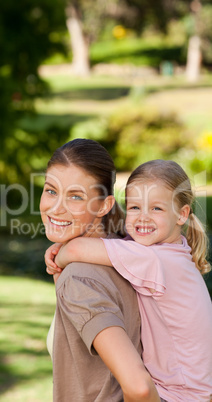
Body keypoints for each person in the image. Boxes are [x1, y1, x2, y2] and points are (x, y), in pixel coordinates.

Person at [46, 159, 212, 402]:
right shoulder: (173, 252)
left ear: (182, 214)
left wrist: (56, 254)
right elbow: (120, 243)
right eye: (134, 208)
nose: (143, 218)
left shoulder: (154, 260)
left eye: (156, 208)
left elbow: (76, 250)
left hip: (179, 396)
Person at [40, 139, 161, 402]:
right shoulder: (126, 253)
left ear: (104, 206)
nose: (55, 207)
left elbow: (139, 387)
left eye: (75, 196)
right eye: (51, 191)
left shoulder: (80, 278)